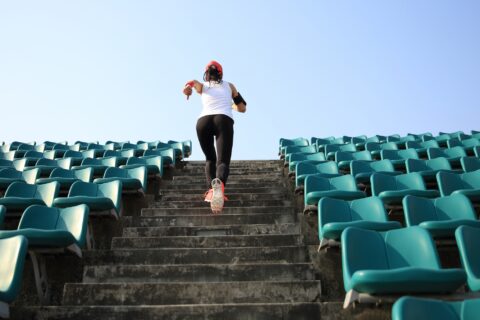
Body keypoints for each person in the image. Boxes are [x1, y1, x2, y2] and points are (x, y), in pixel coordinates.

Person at [183, 60, 247, 214]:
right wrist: (231, 104)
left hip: (203, 121)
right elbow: (242, 108)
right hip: (223, 120)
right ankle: (219, 186)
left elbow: (192, 83)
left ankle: (211, 190)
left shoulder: (203, 86)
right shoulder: (230, 86)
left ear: (207, 74)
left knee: (210, 159)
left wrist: (187, 89)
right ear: (221, 73)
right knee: (222, 161)